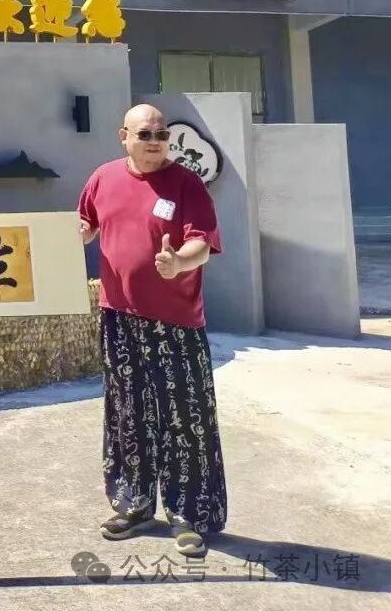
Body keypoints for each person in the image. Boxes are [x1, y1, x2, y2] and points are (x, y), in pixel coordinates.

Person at [78, 104, 228, 558]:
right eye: (145, 134)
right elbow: (86, 224)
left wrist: (179, 261)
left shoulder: (186, 183)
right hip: (119, 316)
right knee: (128, 414)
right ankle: (134, 506)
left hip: (176, 322)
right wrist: (73, 233)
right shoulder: (102, 178)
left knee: (185, 420)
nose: (155, 142)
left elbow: (202, 243)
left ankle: (189, 515)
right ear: (123, 135)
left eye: (162, 135)